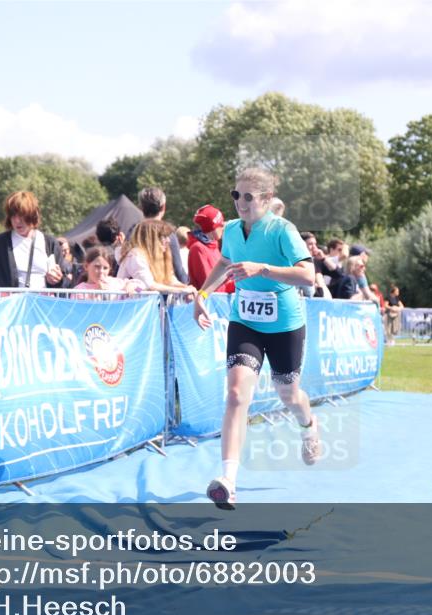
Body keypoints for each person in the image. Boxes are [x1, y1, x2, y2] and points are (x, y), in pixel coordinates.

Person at [192, 167, 319, 509]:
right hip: (245, 322)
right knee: (236, 394)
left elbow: (308, 275)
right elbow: (224, 263)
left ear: (266, 198)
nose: (240, 202)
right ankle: (228, 481)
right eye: (236, 195)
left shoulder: (283, 231)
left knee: (288, 393)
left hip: (284, 325)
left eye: (249, 197)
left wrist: (261, 269)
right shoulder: (232, 230)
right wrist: (202, 295)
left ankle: (308, 425)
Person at [0, 191, 64, 298]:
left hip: (42, 304)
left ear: (32, 215)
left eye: (22, 215)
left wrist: (57, 280)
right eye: (13, 215)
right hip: (10, 305)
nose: (17, 220)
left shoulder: (50, 243)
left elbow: (64, 285)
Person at [117, 219, 197, 297]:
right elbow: (149, 285)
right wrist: (182, 291)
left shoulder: (158, 256)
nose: (168, 240)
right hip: (128, 304)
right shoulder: (135, 255)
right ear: (151, 239)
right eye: (164, 236)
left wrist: (186, 287)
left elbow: (169, 279)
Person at [137, 186, 188, 284]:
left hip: (138, 289)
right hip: (163, 288)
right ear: (163, 207)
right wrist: (187, 285)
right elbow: (178, 269)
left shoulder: (134, 232)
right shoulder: (168, 233)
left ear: (141, 208)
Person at [187, 205, 234, 294]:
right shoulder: (198, 248)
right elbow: (210, 288)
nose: (223, 227)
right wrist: (237, 285)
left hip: (219, 300)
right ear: (212, 228)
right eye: (220, 225)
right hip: (209, 301)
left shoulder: (213, 246)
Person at [74, 247, 144, 295]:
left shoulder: (115, 283)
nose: (101, 271)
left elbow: (142, 289)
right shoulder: (79, 290)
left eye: (105, 268)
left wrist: (132, 286)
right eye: (97, 266)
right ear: (86, 266)